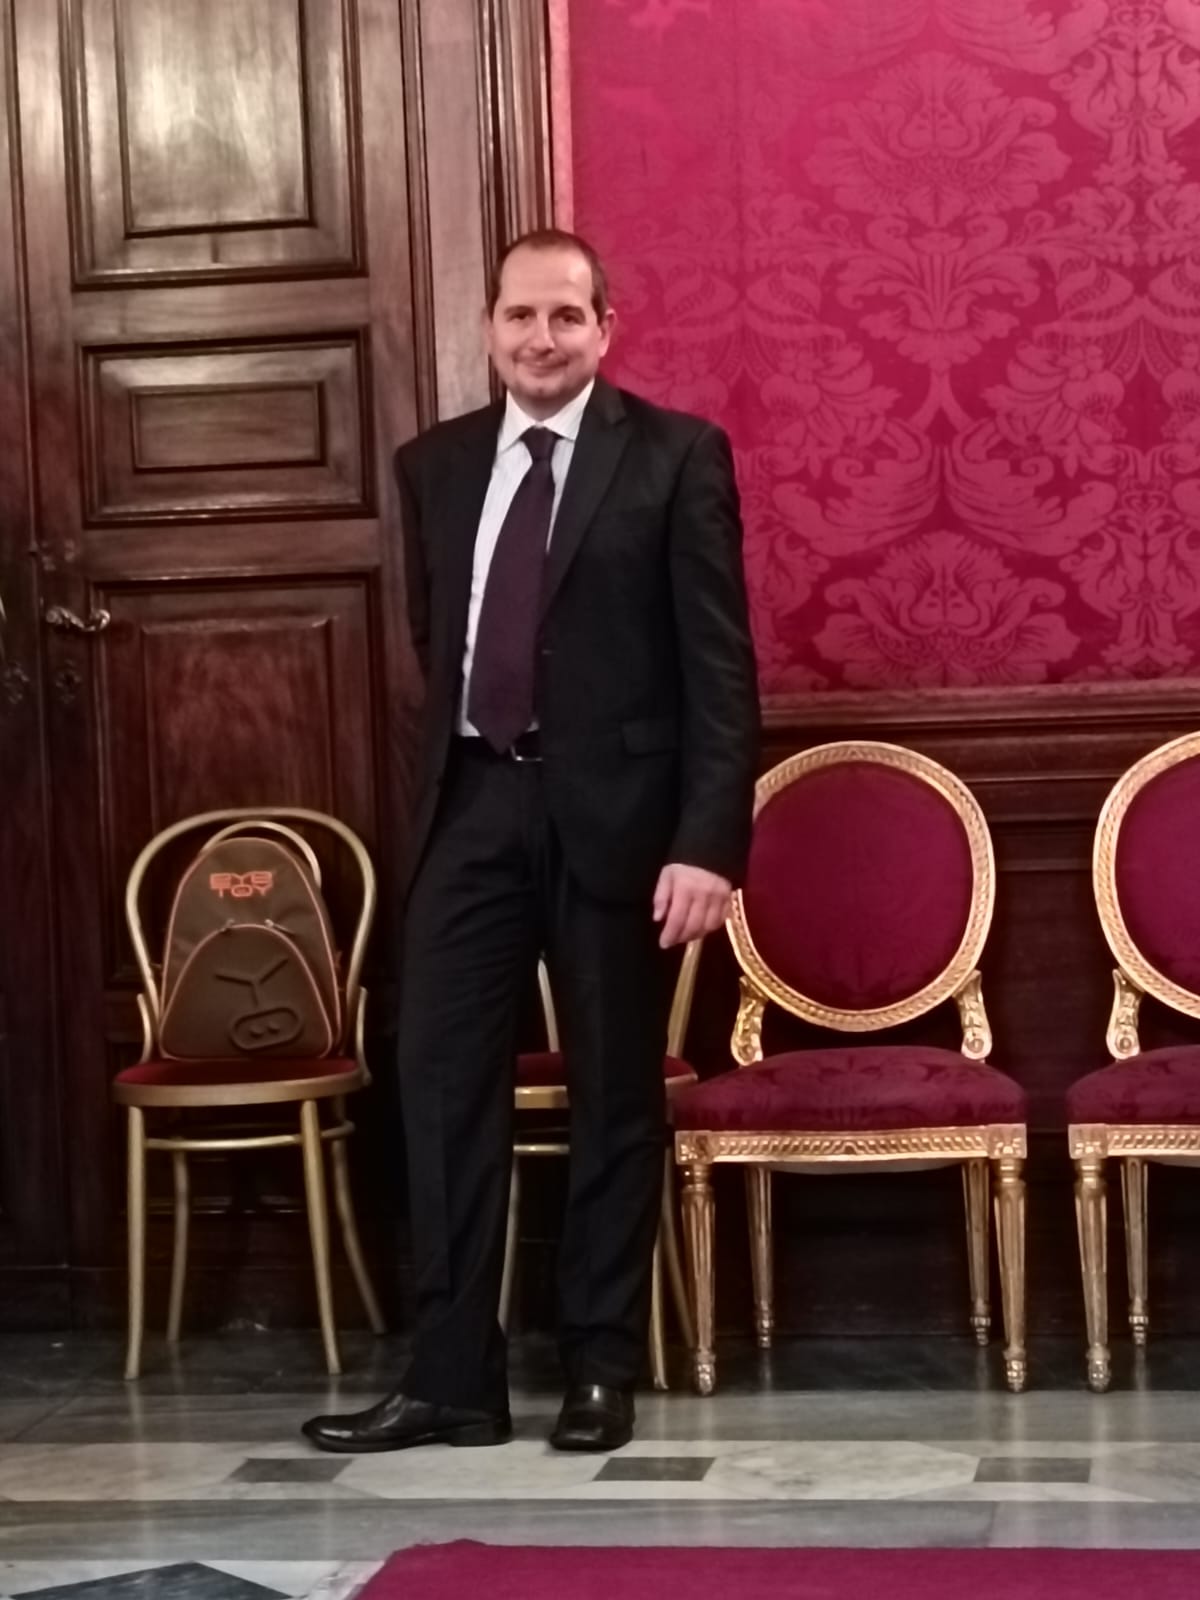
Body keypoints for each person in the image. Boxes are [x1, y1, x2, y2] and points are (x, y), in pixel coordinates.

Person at [303, 228, 758, 1455]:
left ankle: (599, 1366)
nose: (540, 338)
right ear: (490, 327)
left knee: (615, 1092)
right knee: (442, 1086)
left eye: (566, 315)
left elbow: (721, 668)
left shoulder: (675, 457)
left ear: (606, 328)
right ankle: (452, 1377)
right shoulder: (436, 465)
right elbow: (437, 639)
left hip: (620, 824)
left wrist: (708, 841)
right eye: (520, 315)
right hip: (472, 809)